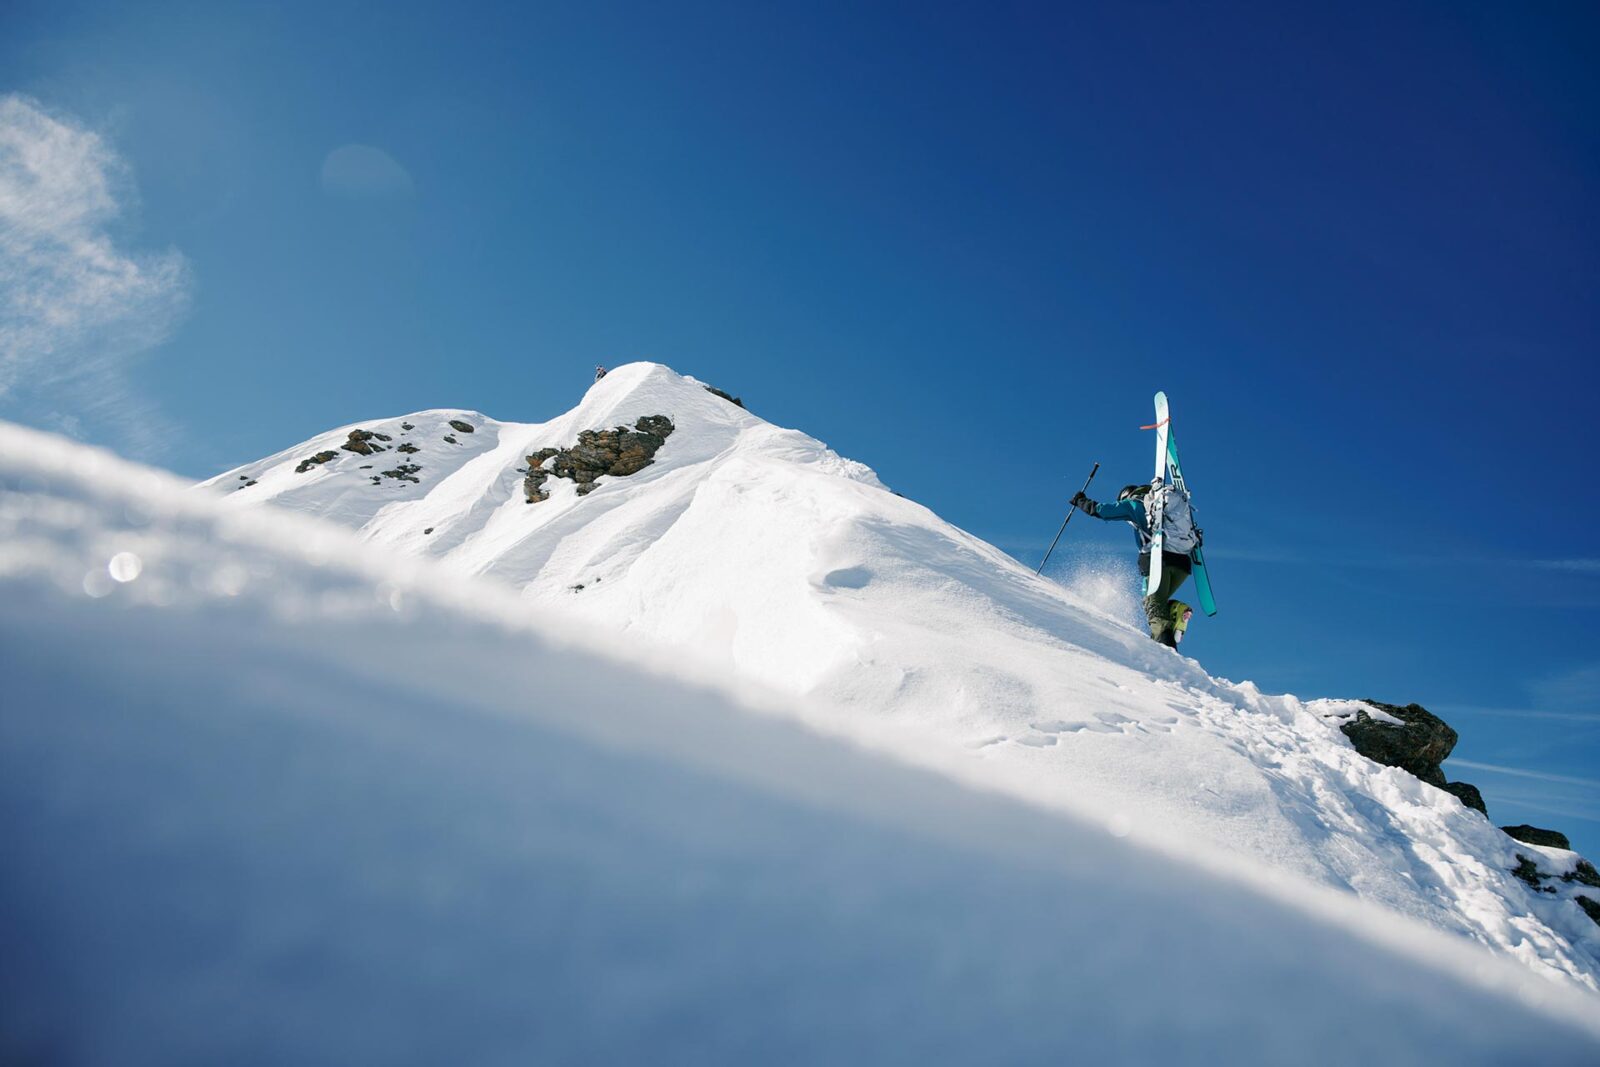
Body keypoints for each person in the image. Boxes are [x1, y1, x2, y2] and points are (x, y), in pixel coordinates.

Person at [1072, 484, 1195, 648]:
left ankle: (1166, 650)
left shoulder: (1134, 504)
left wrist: (1080, 501)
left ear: (1126, 496)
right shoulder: (1162, 507)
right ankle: (1177, 611)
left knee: (1153, 607)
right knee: (1156, 602)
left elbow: (1103, 511)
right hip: (1182, 563)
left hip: (1158, 560)